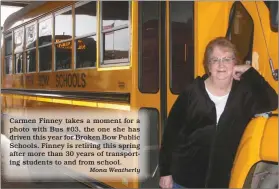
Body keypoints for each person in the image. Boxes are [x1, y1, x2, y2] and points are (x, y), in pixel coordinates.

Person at [159, 37, 278, 188]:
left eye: (227, 59)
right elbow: (171, 135)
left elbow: (272, 102)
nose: (221, 64)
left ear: (235, 63)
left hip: (222, 181)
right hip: (185, 179)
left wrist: (250, 72)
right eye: (215, 60)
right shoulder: (192, 93)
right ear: (208, 66)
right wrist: (165, 172)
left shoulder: (243, 93)